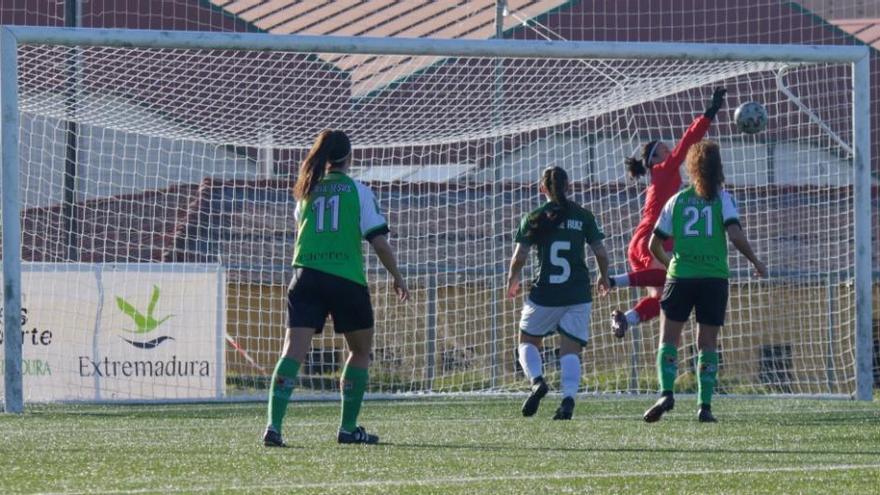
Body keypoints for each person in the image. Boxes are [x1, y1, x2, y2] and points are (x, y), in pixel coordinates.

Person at [262, 129, 409, 447]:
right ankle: (347, 429)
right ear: (349, 157)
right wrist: (397, 275)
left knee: (292, 352)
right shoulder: (359, 191)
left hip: (306, 275)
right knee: (359, 351)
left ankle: (273, 427)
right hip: (345, 278)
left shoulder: (305, 191)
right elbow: (379, 243)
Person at [642, 139, 767, 423]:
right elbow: (734, 236)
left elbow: (653, 244)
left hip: (681, 277)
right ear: (717, 168)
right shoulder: (723, 198)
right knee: (707, 343)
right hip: (714, 279)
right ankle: (704, 405)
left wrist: (669, 263)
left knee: (668, 338)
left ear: (691, 168)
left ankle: (665, 392)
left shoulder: (677, 200)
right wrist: (755, 261)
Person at [610, 88, 727, 339]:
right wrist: (710, 113)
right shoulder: (663, 169)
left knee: (663, 296)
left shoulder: (662, 177)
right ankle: (613, 281)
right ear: (655, 159)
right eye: (664, 149)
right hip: (650, 237)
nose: (669, 150)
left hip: (646, 238)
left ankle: (626, 318)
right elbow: (688, 141)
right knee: (667, 277)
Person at [506, 166, 610, 420]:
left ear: (542, 189)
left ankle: (537, 381)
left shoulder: (534, 217)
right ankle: (567, 400)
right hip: (577, 292)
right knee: (570, 349)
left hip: (545, 293)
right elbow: (600, 252)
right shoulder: (583, 216)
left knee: (527, 341)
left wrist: (513, 278)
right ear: (568, 186)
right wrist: (603, 275)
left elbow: (520, 256)